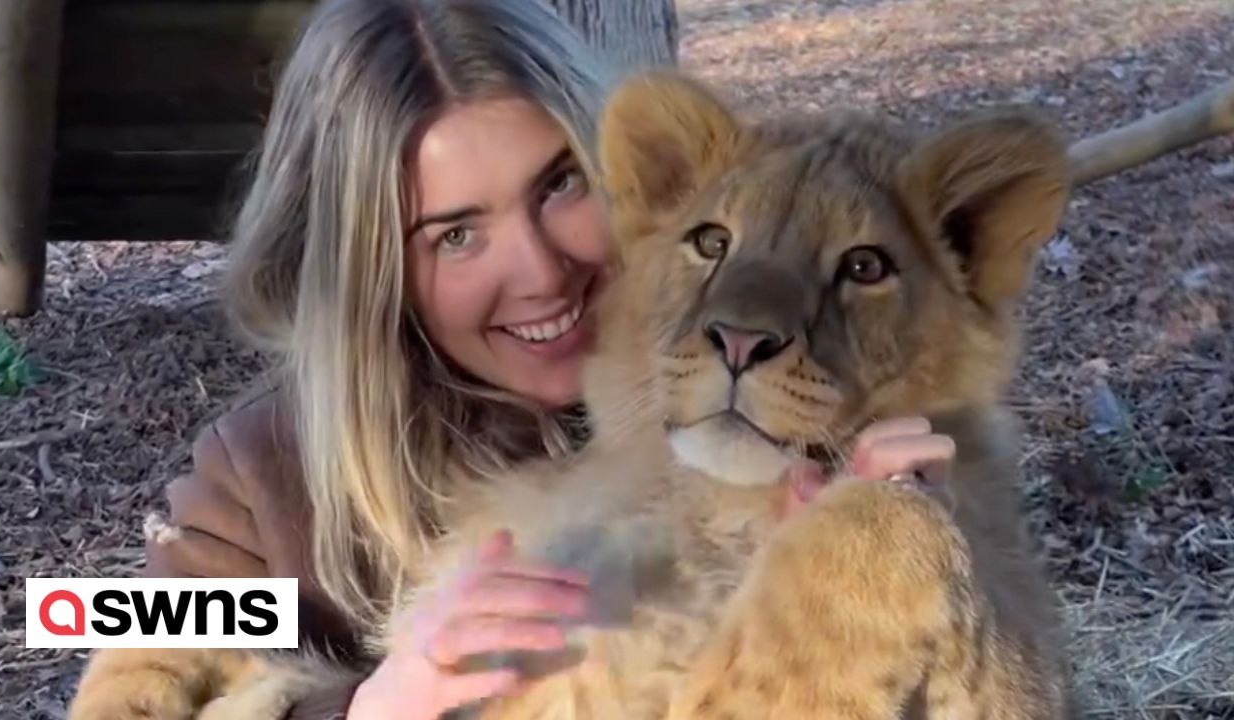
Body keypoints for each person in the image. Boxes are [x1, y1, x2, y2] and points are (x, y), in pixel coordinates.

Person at [72, 0, 955, 718]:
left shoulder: (786, 368)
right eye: (455, 234)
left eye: (561, 184)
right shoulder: (272, 476)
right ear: (370, 272)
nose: (543, 272)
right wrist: (378, 706)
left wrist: (871, 558)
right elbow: (85, 619)